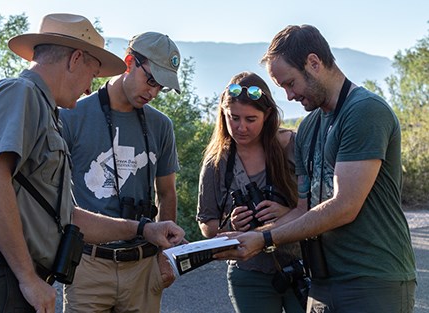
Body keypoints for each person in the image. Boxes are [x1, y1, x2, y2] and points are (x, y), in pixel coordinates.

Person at [0, 14, 184, 313]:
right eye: (93, 73)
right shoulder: (19, 93)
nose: (91, 88)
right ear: (75, 59)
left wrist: (143, 229)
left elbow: (65, 217)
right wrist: (28, 278)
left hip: (7, 278)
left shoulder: (43, 108)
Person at [215, 25, 417, 313]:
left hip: (373, 280)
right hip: (321, 282)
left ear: (314, 62)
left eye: (290, 83)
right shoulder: (309, 127)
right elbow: (303, 209)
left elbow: (345, 206)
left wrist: (265, 239)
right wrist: (248, 237)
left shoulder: (365, 112)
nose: (288, 96)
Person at [59, 31, 181, 313]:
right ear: (129, 62)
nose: (153, 92)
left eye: (161, 87)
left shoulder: (161, 126)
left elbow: (167, 193)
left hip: (142, 266)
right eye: (151, 80)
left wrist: (167, 255)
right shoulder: (72, 115)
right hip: (87, 265)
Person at [196, 71, 305, 313]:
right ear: (223, 114)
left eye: (250, 119)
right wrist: (231, 226)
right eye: (233, 118)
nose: (241, 127)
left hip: (301, 266)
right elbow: (206, 224)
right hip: (249, 275)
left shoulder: (292, 146)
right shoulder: (217, 162)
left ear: (267, 115)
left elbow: (319, 206)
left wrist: (286, 212)